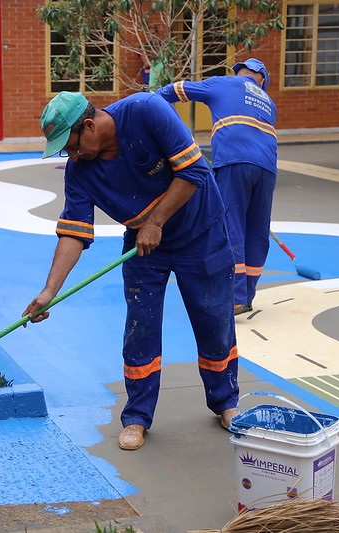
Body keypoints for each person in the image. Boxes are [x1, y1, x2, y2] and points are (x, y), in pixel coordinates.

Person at [22, 91, 239, 451]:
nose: (71, 156)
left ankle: (225, 401)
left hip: (202, 233)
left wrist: (156, 222)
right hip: (145, 245)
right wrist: (50, 291)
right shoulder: (80, 172)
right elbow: (74, 233)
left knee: (213, 318)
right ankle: (137, 416)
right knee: (141, 326)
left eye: (71, 147)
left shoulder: (146, 110)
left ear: (89, 125)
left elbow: (194, 170)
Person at [157, 58, 277, 316]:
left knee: (230, 225)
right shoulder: (268, 103)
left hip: (234, 161)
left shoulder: (224, 83)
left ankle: (234, 297)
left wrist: (154, 105)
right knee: (256, 231)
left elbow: (176, 91)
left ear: (240, 74)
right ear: (262, 80)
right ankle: (245, 295)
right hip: (267, 169)